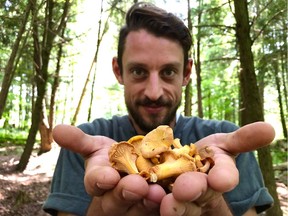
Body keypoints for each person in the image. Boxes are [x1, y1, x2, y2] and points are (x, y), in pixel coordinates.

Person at [43, 2, 275, 216]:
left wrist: (213, 206)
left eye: (168, 72)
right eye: (138, 71)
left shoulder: (228, 144)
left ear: (186, 73)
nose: (154, 92)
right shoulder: (86, 144)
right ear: (118, 70)